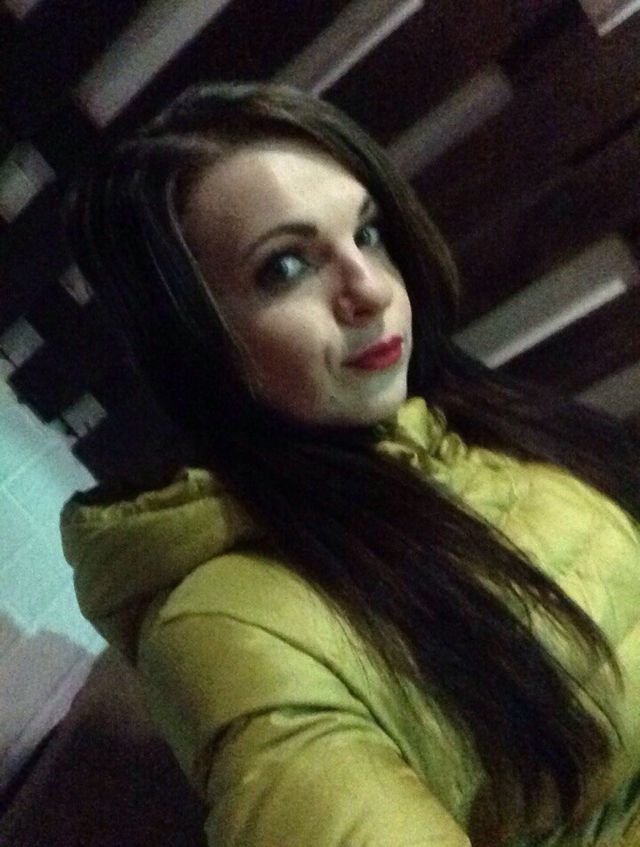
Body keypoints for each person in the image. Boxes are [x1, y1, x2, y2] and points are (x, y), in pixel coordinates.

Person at [59, 82, 640, 847]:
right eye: (284, 268)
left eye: (366, 233)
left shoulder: (466, 417)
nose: (369, 288)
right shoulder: (226, 622)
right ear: (192, 340)